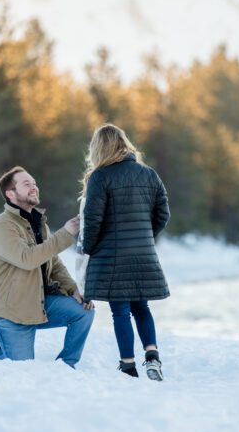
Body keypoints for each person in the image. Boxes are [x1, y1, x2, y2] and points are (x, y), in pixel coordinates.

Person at [0, 166, 95, 368]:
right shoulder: (3, 226)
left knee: (84, 311)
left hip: (38, 304)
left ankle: (66, 366)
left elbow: (53, 263)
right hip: (11, 313)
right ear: (10, 194)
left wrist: (74, 288)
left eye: (35, 183)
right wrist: (65, 234)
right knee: (22, 368)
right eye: (27, 184)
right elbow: (27, 259)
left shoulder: (39, 224)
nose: (34, 187)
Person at [81, 124, 170, 380]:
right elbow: (163, 214)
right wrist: (144, 236)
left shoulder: (100, 177)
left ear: (99, 148)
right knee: (142, 307)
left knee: (120, 311)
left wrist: (88, 249)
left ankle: (128, 365)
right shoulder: (149, 174)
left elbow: (93, 220)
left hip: (112, 258)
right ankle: (152, 356)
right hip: (143, 254)